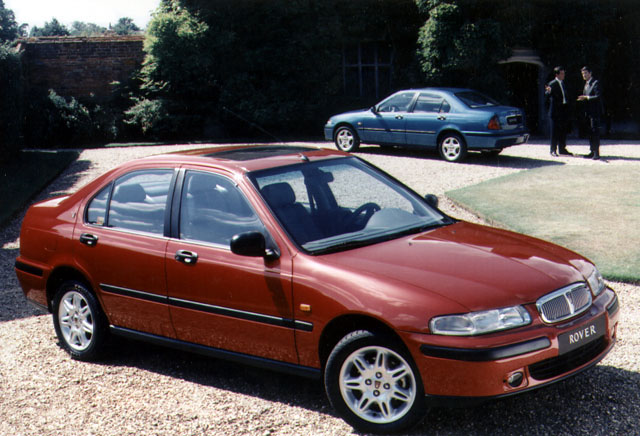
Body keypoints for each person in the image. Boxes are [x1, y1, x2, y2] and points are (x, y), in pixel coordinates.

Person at [545, 66, 572, 156]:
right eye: (562, 73)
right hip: (555, 111)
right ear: (557, 75)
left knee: (563, 130)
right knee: (554, 131)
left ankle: (562, 148)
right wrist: (548, 91)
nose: (563, 75)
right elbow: (547, 94)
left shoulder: (563, 83)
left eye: (564, 73)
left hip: (563, 110)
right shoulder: (552, 83)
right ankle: (553, 150)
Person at [577, 66, 602, 160]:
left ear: (590, 73)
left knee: (595, 132)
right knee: (590, 132)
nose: (584, 75)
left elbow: (598, 96)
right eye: (583, 74)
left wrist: (586, 97)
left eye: (586, 73)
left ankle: (596, 153)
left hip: (595, 112)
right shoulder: (586, 84)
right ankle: (592, 151)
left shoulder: (595, 83)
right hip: (588, 112)